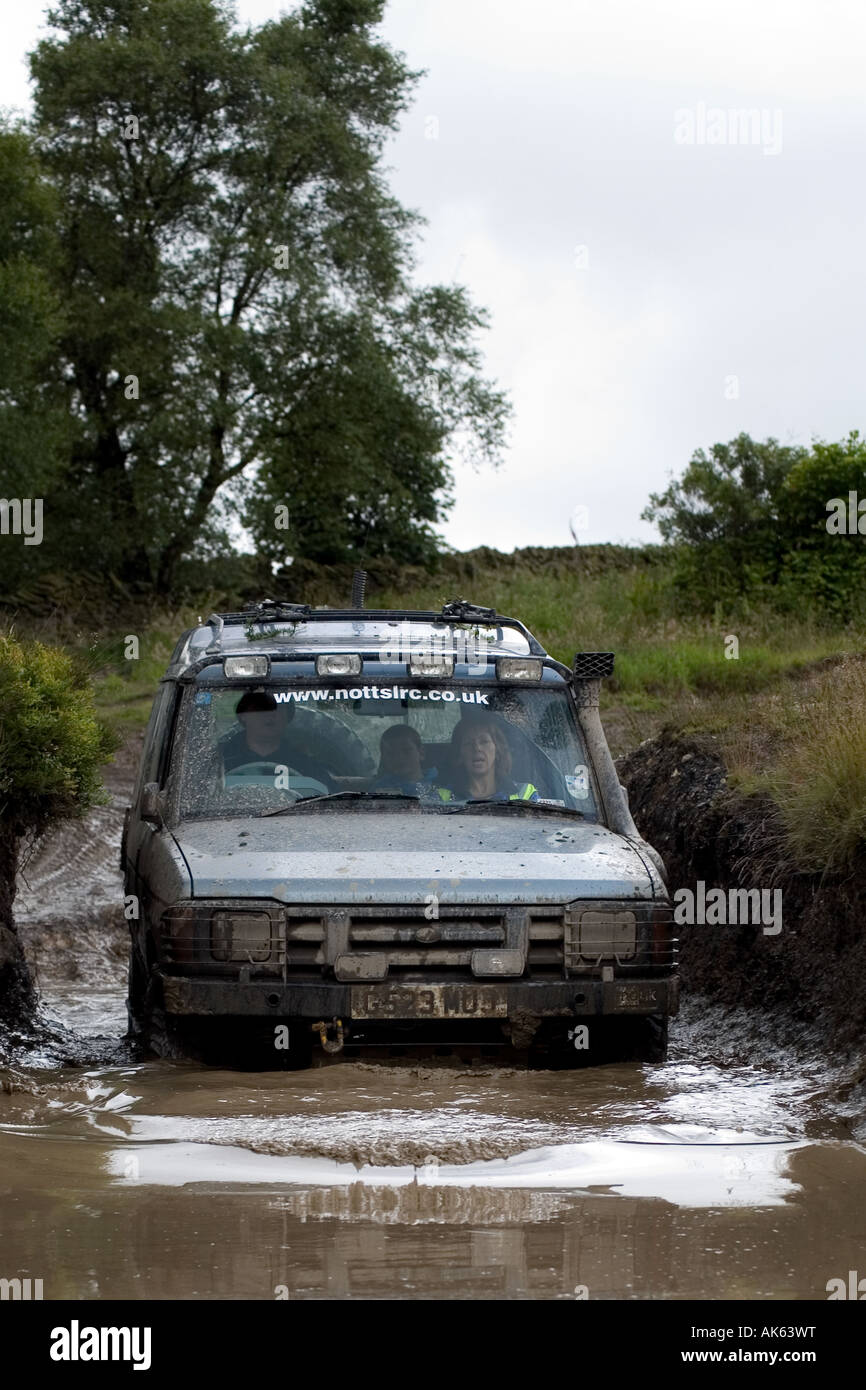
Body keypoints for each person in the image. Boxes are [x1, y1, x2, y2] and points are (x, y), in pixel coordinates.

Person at [219, 691, 330, 785]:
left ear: (287, 716)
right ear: (243, 715)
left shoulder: (306, 765)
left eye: (278, 706)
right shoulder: (219, 761)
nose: (270, 715)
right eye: (262, 708)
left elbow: (331, 798)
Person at [436, 716, 539, 803]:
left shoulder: (525, 794)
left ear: (497, 750)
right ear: (460, 754)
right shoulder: (441, 798)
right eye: (469, 743)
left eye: (484, 741)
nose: (477, 748)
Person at [371, 725, 438, 795]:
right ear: (384, 758)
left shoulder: (439, 783)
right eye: (391, 753)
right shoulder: (380, 789)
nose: (399, 758)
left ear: (421, 753)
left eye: (406, 751)